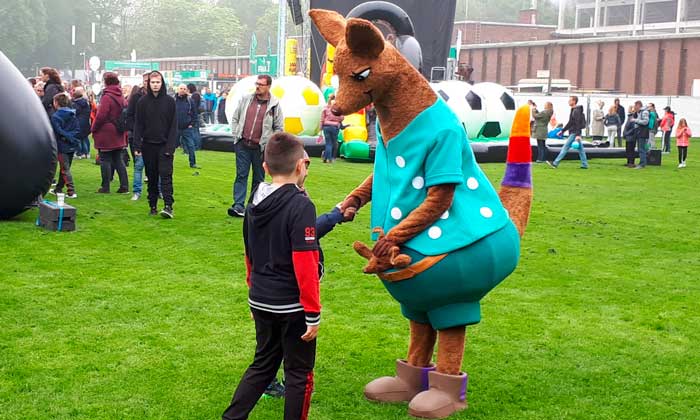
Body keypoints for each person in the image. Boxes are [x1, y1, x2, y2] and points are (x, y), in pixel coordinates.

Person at [221, 133, 320, 420]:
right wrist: (312, 312)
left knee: (263, 364)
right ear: (302, 166)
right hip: (291, 305)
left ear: (264, 167)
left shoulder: (254, 200)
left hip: (261, 299)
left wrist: (254, 293)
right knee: (299, 372)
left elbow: (248, 252)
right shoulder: (301, 205)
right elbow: (306, 262)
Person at [227, 74, 284, 217]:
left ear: (269, 86)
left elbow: (278, 128)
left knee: (258, 178)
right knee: (241, 175)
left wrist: (270, 144)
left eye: (261, 84)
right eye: (256, 83)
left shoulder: (274, 105)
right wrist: (236, 135)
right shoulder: (246, 99)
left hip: (261, 148)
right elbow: (235, 117)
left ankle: (252, 206)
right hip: (243, 144)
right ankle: (238, 205)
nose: (257, 86)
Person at [133, 70, 178, 218]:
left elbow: (173, 126)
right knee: (151, 176)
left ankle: (168, 205)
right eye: (153, 82)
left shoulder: (170, 102)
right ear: (148, 84)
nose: (155, 85)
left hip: (165, 145)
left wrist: (170, 147)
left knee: (166, 176)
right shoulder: (142, 102)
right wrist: (137, 146)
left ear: (162, 83)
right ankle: (152, 204)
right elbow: (138, 125)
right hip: (148, 145)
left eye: (158, 82)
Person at [92, 73, 129, 193]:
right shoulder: (120, 95)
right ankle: (124, 186)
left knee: (105, 159)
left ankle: (105, 186)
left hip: (107, 132)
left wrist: (94, 128)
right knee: (118, 159)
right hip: (118, 130)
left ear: (106, 81)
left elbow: (101, 115)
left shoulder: (107, 96)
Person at [49, 93, 81, 199]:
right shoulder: (73, 114)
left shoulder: (56, 116)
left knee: (65, 169)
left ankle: (71, 191)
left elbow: (57, 131)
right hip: (72, 144)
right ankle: (58, 188)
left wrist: (66, 137)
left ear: (56, 103)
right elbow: (77, 129)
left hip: (62, 144)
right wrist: (71, 138)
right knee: (65, 168)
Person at [547, 96, 588, 169]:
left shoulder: (576, 111)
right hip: (574, 131)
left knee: (565, 147)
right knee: (580, 149)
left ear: (574, 101)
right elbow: (570, 122)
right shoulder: (573, 110)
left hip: (575, 132)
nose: (568, 101)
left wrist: (578, 135)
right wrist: (562, 131)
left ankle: (555, 163)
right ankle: (584, 164)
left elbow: (577, 123)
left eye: (570, 100)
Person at [126, 72, 150, 201]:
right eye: (146, 80)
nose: (148, 82)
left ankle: (157, 191)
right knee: (138, 165)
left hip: (154, 136)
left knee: (155, 167)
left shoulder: (160, 98)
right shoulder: (136, 97)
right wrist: (135, 129)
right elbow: (129, 115)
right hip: (138, 135)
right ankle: (137, 191)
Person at [175, 84, 200, 169]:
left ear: (187, 90)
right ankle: (168, 162)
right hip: (175, 128)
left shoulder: (190, 101)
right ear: (177, 89)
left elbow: (195, 114)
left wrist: (192, 124)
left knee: (191, 146)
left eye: (184, 89)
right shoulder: (173, 100)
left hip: (187, 128)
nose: (182, 90)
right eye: (181, 88)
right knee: (171, 146)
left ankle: (193, 163)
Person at [320, 94, 344, 163]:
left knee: (328, 143)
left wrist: (320, 128)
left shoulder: (326, 108)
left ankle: (326, 158)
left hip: (326, 126)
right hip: (335, 127)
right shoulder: (338, 108)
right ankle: (330, 158)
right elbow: (342, 117)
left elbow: (322, 118)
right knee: (334, 143)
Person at [72, 87, 92, 159]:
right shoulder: (86, 103)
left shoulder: (75, 104)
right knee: (85, 138)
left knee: (78, 139)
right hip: (86, 122)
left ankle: (79, 153)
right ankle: (87, 153)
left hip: (78, 122)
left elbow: (75, 112)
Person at [632, 101, 650, 169]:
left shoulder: (644, 112)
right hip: (640, 132)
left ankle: (642, 164)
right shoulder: (640, 112)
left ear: (638, 105)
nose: (634, 108)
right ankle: (641, 162)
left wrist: (635, 120)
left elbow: (645, 122)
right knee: (640, 149)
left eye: (635, 106)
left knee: (642, 149)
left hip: (643, 133)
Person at [188, 84, 203, 149]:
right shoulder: (196, 94)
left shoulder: (195, 95)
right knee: (195, 131)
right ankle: (197, 145)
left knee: (195, 131)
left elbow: (194, 106)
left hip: (195, 115)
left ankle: (197, 146)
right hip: (197, 115)